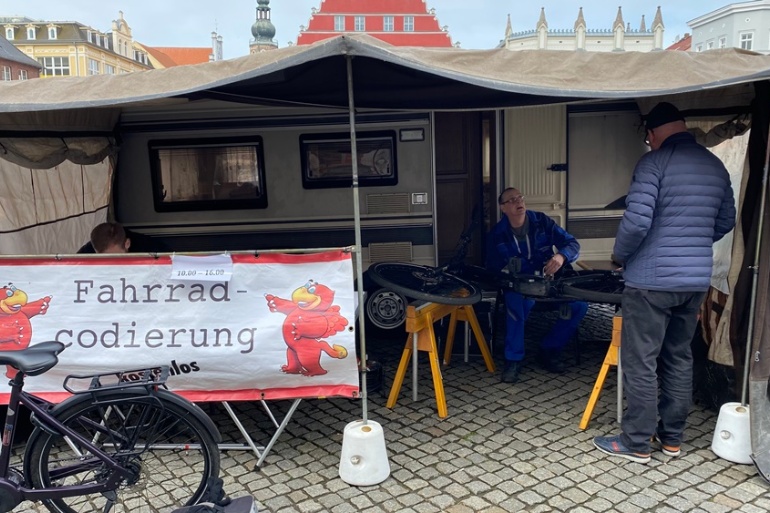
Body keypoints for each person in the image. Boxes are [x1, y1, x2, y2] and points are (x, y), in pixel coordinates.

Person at [593, 102, 736, 464]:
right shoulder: (714, 166)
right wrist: (693, 242)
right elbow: (727, 220)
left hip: (651, 282)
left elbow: (637, 223)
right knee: (679, 356)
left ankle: (637, 442)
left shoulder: (654, 163)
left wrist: (622, 255)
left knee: (641, 360)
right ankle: (672, 438)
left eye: (647, 136)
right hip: (694, 282)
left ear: (653, 133)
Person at [486, 187, 588, 383]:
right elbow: (492, 268)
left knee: (578, 306)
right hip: (519, 287)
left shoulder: (541, 221)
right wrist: (508, 273)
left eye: (520, 198)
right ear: (503, 208)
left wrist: (561, 256)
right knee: (518, 305)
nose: (518, 202)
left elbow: (572, 244)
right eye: (511, 200)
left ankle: (549, 350)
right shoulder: (497, 234)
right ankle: (513, 359)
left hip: (548, 283)